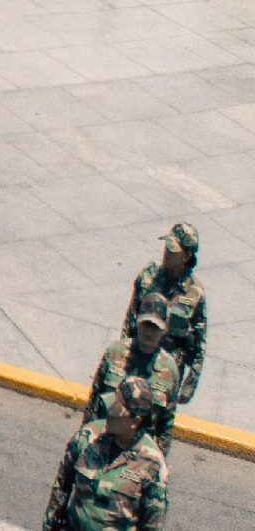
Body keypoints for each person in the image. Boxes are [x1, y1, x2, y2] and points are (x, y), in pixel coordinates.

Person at [44, 378, 168, 531]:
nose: (110, 410)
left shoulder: (152, 463)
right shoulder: (88, 436)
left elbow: (152, 525)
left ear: (135, 421)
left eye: (118, 407)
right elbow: (61, 488)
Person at [122, 223, 207, 408]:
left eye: (172, 250)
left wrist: (190, 383)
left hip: (167, 372)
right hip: (138, 355)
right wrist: (123, 352)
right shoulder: (149, 274)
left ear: (186, 256)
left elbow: (200, 341)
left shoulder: (194, 293)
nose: (166, 253)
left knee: (156, 420)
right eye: (166, 247)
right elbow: (130, 317)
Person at [88, 299, 185, 454]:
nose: (149, 331)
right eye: (146, 324)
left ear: (164, 329)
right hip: (103, 441)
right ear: (138, 322)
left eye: (155, 327)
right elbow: (94, 401)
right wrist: (85, 439)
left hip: (138, 456)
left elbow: (166, 423)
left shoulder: (170, 370)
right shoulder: (115, 352)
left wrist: (159, 461)